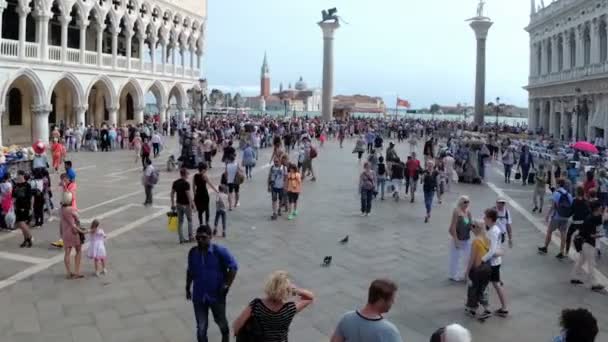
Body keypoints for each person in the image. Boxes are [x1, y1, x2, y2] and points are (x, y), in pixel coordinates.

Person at [186, 225, 238, 342]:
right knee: (201, 327)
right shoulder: (193, 252)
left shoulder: (219, 251)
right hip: (199, 296)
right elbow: (190, 271)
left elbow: (233, 267)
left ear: (210, 237)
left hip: (216, 295)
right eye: (198, 238)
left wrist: (226, 285)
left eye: (203, 238)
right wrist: (187, 287)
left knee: (221, 323)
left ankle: (225, 337)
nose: (200, 240)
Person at [232, 270, 315, 342]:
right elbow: (309, 298)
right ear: (286, 290)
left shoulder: (256, 305)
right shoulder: (290, 309)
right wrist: (295, 290)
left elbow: (237, 325)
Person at [330, 279, 402, 342]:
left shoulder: (346, 318)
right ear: (381, 300)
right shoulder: (389, 331)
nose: (393, 302)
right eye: (391, 299)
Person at [570, 200, 605, 292]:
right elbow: (591, 235)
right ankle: (593, 284)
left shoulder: (591, 217)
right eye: (601, 207)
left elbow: (600, 219)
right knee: (591, 264)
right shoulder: (591, 219)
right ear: (597, 208)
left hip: (584, 243)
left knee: (581, 261)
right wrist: (600, 235)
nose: (602, 208)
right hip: (588, 244)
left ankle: (574, 277)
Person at [481, 207, 509, 317]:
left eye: (485, 217)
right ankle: (503, 307)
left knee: (490, 285)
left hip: (492, 263)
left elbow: (492, 250)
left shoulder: (493, 231)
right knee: (494, 284)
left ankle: (500, 308)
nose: (483, 218)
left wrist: (482, 259)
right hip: (496, 262)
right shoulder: (495, 229)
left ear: (490, 219)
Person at [539, 178, 573, 259]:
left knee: (549, 231)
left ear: (558, 184)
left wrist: (547, 215)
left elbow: (553, 206)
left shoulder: (556, 193)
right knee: (563, 234)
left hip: (556, 217)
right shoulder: (569, 195)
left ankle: (545, 247)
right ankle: (561, 252)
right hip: (565, 218)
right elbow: (571, 206)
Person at [464, 220, 491, 319]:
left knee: (473, 289)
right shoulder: (487, 238)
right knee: (483, 288)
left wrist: (466, 273)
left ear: (477, 228)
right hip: (487, 267)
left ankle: (472, 309)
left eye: (473, 226)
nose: (471, 228)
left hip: (477, 269)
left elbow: (472, 259)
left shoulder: (476, 241)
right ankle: (486, 308)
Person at [60, 192, 86, 279]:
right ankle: (76, 272)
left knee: (67, 253)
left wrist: (61, 233)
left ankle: (68, 272)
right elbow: (74, 223)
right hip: (73, 233)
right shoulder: (71, 209)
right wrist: (82, 231)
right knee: (78, 251)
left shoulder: (62, 209)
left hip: (65, 233)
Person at [448, 196, 472, 282]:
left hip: (466, 238)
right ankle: (453, 274)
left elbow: (470, 225)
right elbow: (452, 227)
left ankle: (464, 274)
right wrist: (456, 240)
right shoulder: (456, 212)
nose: (466, 204)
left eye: (468, 202)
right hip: (458, 238)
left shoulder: (468, 212)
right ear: (460, 202)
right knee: (455, 257)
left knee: (468, 257)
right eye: (464, 202)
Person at [171, 168, 195, 244]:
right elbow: (188, 195)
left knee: (180, 222)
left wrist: (172, 204)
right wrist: (192, 204)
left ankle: (181, 239)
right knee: (190, 220)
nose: (188, 175)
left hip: (178, 204)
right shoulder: (186, 183)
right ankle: (190, 237)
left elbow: (172, 193)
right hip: (186, 205)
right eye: (187, 173)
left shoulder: (175, 182)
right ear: (185, 174)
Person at [566, 186, 589, 254]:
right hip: (583, 223)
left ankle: (567, 251)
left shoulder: (574, 200)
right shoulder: (586, 201)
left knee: (569, 235)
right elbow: (588, 212)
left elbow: (571, 212)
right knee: (583, 236)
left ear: (577, 192)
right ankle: (582, 250)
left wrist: (566, 215)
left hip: (575, 223)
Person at [13, 170, 33, 248]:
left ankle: (30, 236)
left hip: (25, 207)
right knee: (21, 225)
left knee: (22, 223)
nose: (17, 177)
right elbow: (14, 196)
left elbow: (31, 198)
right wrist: (13, 206)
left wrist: (31, 208)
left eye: (18, 175)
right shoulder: (16, 185)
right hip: (17, 206)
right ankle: (26, 239)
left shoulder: (27, 185)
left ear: (22, 176)